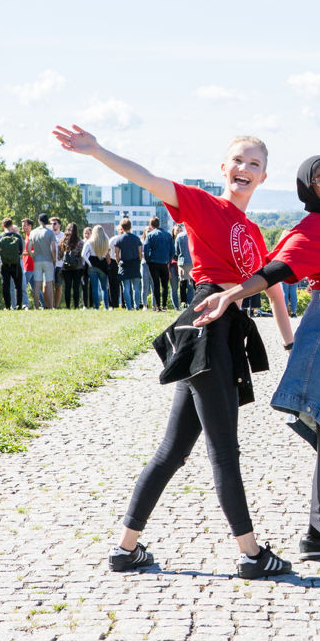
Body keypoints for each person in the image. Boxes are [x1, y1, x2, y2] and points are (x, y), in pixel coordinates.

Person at [54, 123, 294, 579]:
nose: (244, 168)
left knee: (172, 451)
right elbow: (147, 178)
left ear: (264, 177)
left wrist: (290, 345)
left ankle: (125, 550)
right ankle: (251, 555)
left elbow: (276, 293)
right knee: (224, 451)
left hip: (227, 333)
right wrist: (98, 150)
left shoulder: (253, 231)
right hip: (205, 327)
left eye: (254, 164)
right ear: (224, 168)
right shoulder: (204, 205)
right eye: (238, 160)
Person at [194, 154, 320, 585]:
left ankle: (319, 536)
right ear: (309, 190)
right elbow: (275, 270)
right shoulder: (316, 227)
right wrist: (232, 294)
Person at [110, 219, 144, 310]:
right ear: (130, 226)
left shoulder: (119, 239)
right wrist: (139, 261)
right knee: (136, 287)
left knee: (126, 287)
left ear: (122, 227)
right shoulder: (136, 238)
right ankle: (137, 306)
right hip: (135, 263)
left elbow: (116, 254)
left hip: (124, 264)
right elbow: (140, 253)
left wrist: (118, 262)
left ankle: (129, 307)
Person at [27, 214, 57, 309]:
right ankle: (50, 306)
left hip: (37, 260)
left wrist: (33, 257)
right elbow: (53, 249)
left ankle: (36, 306)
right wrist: (54, 259)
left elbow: (28, 248)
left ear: (39, 221)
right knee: (49, 284)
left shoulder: (33, 232)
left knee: (37, 284)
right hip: (48, 260)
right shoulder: (50, 233)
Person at [143, 217, 173, 311]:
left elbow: (146, 249)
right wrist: (168, 260)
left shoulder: (150, 235)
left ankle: (157, 306)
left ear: (151, 225)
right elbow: (172, 250)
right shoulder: (168, 235)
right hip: (164, 262)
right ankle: (164, 305)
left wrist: (148, 261)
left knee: (156, 284)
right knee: (165, 284)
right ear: (159, 224)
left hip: (153, 262)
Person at [0, 218, 25, 310]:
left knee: (6, 285)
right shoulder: (17, 237)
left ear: (3, 226)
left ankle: (7, 306)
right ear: (12, 226)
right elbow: (20, 251)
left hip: (4, 264)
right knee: (18, 286)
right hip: (15, 264)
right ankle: (19, 305)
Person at [58, 222, 86, 308]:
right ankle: (76, 306)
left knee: (67, 287)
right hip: (77, 267)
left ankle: (68, 306)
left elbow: (60, 256)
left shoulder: (63, 241)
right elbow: (82, 254)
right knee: (76, 287)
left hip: (66, 267)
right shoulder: (79, 241)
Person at [85, 224, 112, 310]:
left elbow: (83, 254)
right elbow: (109, 253)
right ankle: (106, 306)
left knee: (95, 288)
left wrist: (89, 263)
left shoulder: (90, 242)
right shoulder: (106, 241)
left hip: (93, 265)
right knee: (104, 287)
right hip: (103, 265)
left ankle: (96, 307)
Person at [175, 224, 194, 307]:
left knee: (182, 283)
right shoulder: (193, 234)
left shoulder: (179, 236)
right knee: (192, 283)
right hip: (192, 262)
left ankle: (183, 302)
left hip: (182, 262)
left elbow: (176, 251)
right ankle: (192, 302)